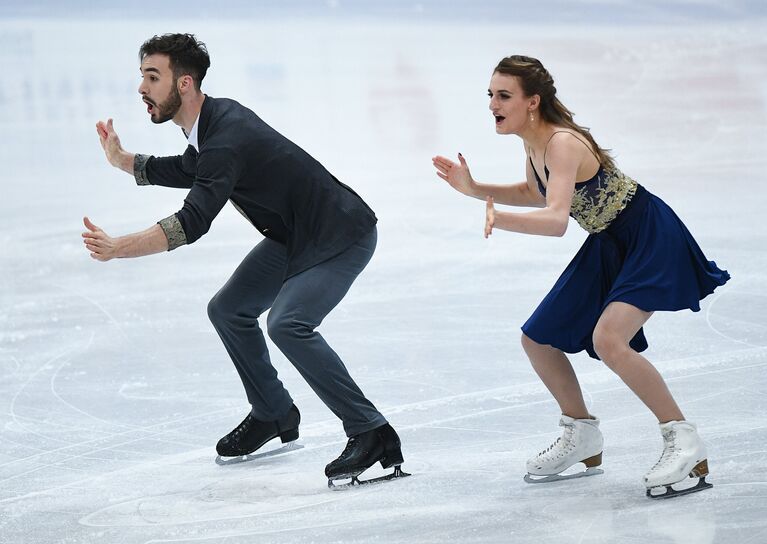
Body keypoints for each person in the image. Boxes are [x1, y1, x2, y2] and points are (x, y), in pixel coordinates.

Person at [84, 33, 407, 487]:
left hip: (340, 232)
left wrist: (120, 247)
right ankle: (273, 411)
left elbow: (193, 221)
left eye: (152, 77)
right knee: (229, 310)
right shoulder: (211, 124)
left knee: (288, 324)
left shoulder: (225, 136)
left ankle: (371, 431)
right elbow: (190, 168)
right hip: (295, 235)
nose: (142, 88)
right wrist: (124, 162)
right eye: (142, 77)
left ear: (184, 84)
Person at [432, 55, 728, 498]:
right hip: (609, 241)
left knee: (610, 340)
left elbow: (555, 220)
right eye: (491, 95)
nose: (493, 104)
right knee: (537, 338)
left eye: (503, 96)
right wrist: (475, 190)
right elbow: (537, 192)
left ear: (533, 101)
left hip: (647, 235)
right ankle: (582, 434)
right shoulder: (532, 141)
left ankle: (683, 440)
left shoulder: (561, 143)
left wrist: (498, 217)